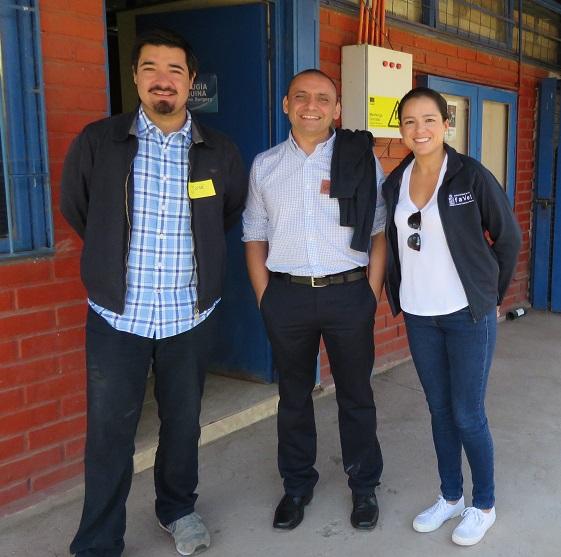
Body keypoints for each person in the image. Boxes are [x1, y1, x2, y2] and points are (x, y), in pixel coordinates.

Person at [60, 28, 247, 557]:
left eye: (174, 71)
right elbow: (79, 209)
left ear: (191, 82)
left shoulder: (218, 152)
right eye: (150, 69)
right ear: (136, 77)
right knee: (109, 435)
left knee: (183, 425)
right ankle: (98, 540)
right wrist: (106, 265)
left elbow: (225, 216)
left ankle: (178, 510)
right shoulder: (100, 141)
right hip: (118, 316)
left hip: (188, 314)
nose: (162, 81)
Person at [243, 69, 385, 531]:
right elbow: (254, 234)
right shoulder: (265, 165)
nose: (311, 105)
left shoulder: (360, 159)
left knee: (356, 395)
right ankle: (297, 485)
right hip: (287, 297)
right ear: (286, 105)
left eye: (323, 98)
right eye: (301, 97)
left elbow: (380, 229)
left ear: (336, 109)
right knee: (293, 397)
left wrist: (372, 291)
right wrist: (266, 297)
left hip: (349, 294)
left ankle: (364, 487)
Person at [383, 87, 521, 546]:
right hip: (421, 315)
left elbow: (508, 239)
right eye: (408, 121)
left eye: (428, 120)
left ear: (447, 125)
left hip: (467, 317)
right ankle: (451, 496)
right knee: (440, 411)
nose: (418, 130)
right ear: (399, 128)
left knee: (467, 414)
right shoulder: (395, 181)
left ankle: (484, 504)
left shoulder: (470, 176)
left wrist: (487, 296)